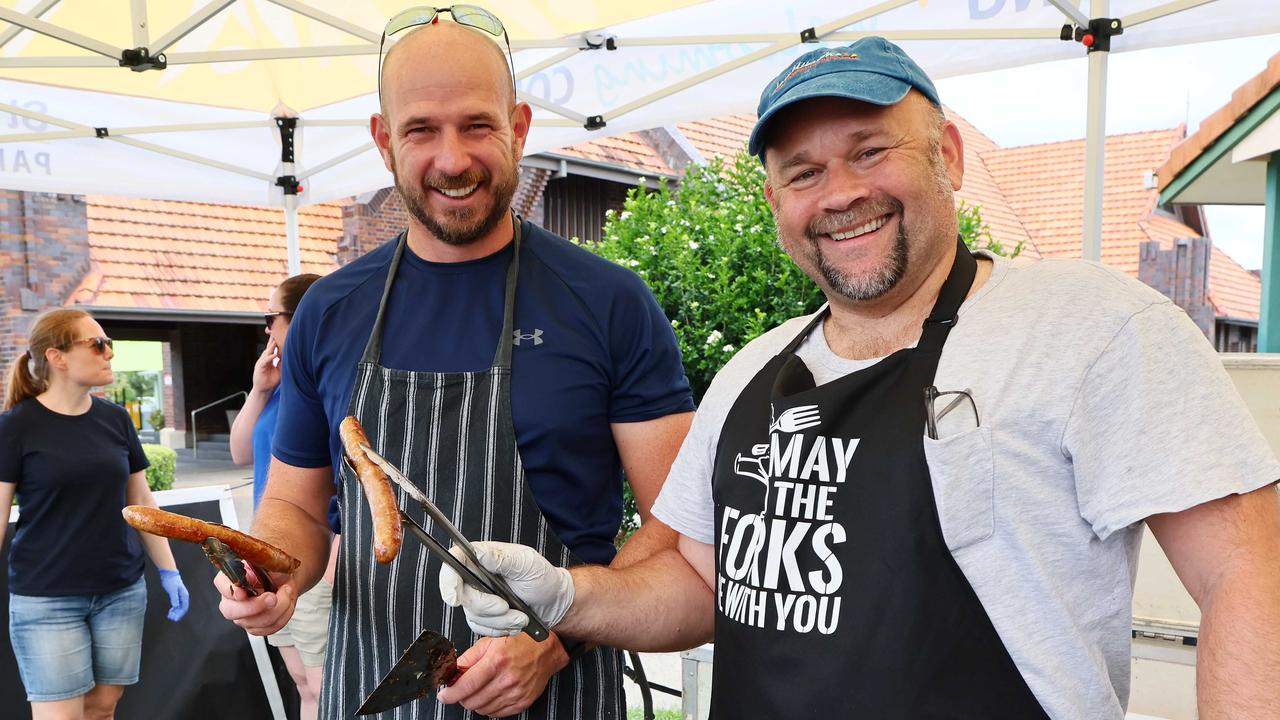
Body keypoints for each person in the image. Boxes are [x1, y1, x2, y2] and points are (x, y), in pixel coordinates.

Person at [439, 37, 1280, 719]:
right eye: (803, 172)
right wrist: (564, 596)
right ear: (775, 202)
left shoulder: (1089, 329)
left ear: (946, 155)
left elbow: (1248, 574)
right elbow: (698, 580)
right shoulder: (750, 376)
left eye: (869, 151)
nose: (839, 194)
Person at [216, 7, 694, 720]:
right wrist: (272, 568)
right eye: (420, 130)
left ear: (520, 126)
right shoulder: (331, 310)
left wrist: (555, 631)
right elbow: (293, 506)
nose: (452, 158)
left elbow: (682, 528)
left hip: (557, 693)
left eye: (477, 125)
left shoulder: (607, 302)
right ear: (383, 142)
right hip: (371, 690)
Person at [0, 308, 190, 720]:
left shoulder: (116, 419)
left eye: (109, 344)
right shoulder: (16, 426)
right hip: (46, 597)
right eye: (98, 344)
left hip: (119, 592)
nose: (109, 353)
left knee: (103, 710)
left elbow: (142, 502)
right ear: (57, 357)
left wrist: (169, 571)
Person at [229, 272, 336, 720]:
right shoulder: (280, 386)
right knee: (302, 685)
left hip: (312, 560)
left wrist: (331, 563)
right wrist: (259, 390)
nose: (267, 328)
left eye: (271, 317)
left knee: (325, 690)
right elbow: (239, 451)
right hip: (273, 556)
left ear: (299, 319)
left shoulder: (328, 383)